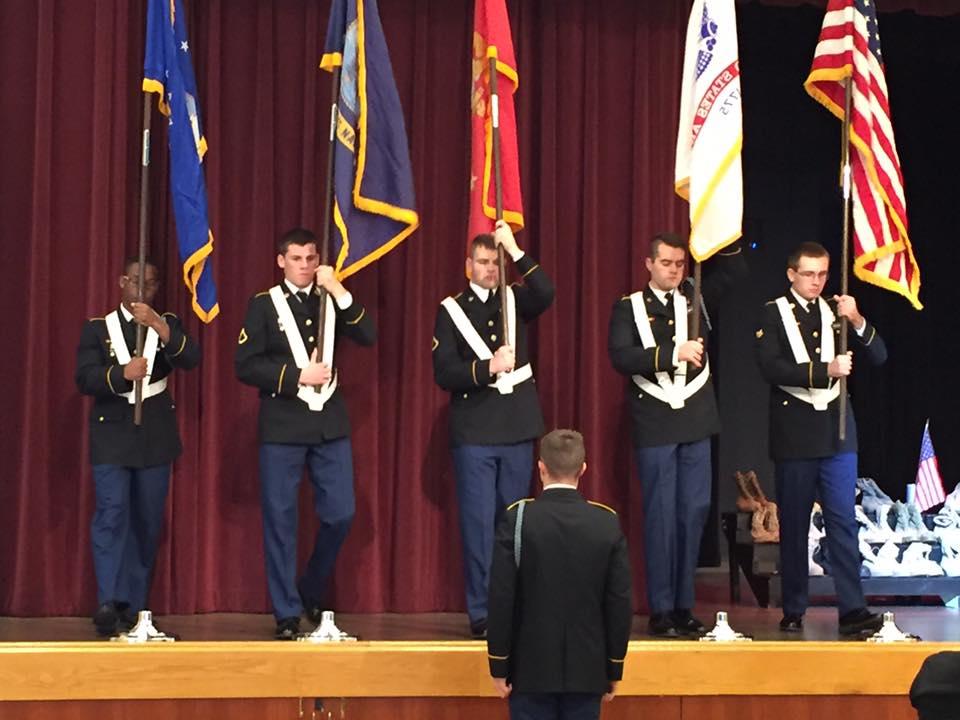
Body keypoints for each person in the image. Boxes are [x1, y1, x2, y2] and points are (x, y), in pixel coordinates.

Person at [235, 228, 376, 640]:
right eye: (297, 259)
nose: (305, 266)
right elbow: (245, 365)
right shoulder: (264, 306)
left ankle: (310, 587)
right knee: (280, 519)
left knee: (341, 513)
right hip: (283, 423)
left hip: (329, 423)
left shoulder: (330, 299)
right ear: (281, 261)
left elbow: (367, 335)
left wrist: (341, 291)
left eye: (311, 259)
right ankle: (286, 612)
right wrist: (297, 375)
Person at [607, 232, 745, 637]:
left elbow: (737, 269)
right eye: (665, 262)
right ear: (649, 264)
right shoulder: (629, 307)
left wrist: (716, 225)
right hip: (655, 418)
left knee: (693, 513)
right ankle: (662, 607)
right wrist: (672, 353)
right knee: (662, 516)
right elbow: (620, 356)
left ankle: (685, 605)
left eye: (679, 264)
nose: (673, 270)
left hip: (696, 419)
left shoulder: (697, 297)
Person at [755, 241, 887, 636]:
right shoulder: (773, 313)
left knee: (843, 522)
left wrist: (858, 319)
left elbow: (879, 355)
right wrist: (823, 369)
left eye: (823, 274)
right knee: (795, 524)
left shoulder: (837, 309)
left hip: (838, 432)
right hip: (795, 433)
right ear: (791, 274)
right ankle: (794, 607)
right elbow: (770, 366)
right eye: (809, 274)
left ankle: (853, 608)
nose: (816, 281)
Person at [432, 219, 554, 638]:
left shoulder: (515, 299)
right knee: (479, 527)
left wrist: (516, 251)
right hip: (475, 432)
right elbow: (444, 371)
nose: (489, 269)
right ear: (469, 265)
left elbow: (546, 292)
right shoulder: (451, 310)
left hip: (517, 427)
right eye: (482, 262)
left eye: (495, 263)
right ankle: (484, 612)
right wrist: (488, 367)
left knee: (515, 524)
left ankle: (516, 606)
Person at [75, 257, 201, 636]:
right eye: (134, 282)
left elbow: (191, 358)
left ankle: (133, 605)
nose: (140, 290)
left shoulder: (168, 324)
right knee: (112, 513)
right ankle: (108, 601)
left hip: (154, 434)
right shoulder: (98, 328)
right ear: (121, 283)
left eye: (148, 284)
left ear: (157, 287)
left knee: (146, 521)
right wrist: (120, 374)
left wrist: (160, 327)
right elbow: (84, 377)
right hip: (112, 431)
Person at [487, 429, 632, 720]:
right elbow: (619, 603)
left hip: (530, 671)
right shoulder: (605, 522)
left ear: (540, 468)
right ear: (583, 469)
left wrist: (498, 665)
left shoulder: (518, 519)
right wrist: (614, 667)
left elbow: (501, 597)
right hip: (588, 672)